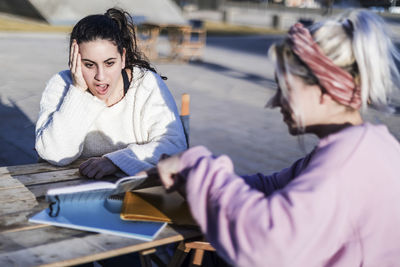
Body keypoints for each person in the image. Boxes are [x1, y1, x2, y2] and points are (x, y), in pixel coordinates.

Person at [150, 10, 400, 266]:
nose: (275, 101)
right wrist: (192, 179)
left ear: (327, 88)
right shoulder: (364, 145)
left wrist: (197, 165)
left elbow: (264, 243)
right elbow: (273, 187)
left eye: (286, 88)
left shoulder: (347, 163)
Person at [35, 8, 187, 179]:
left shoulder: (146, 83)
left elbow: (174, 146)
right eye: (89, 64)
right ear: (74, 61)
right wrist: (78, 91)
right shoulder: (61, 84)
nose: (100, 77)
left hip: (136, 191)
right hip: (74, 191)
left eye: (109, 63)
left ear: (122, 58)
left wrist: (115, 161)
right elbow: (55, 154)